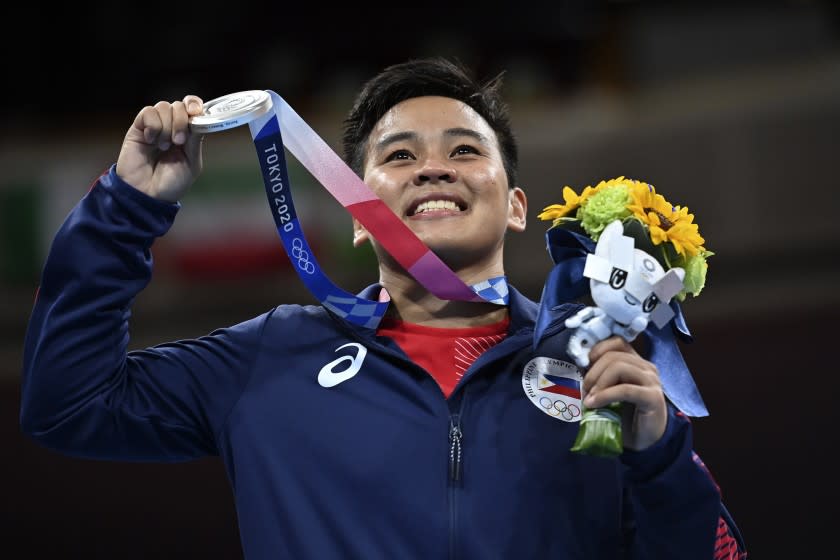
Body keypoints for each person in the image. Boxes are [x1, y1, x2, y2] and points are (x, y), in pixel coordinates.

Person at [20, 57, 747, 559]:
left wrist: (659, 458)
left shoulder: (605, 369)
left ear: (518, 205)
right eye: (398, 156)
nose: (433, 166)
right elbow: (66, 403)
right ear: (360, 217)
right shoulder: (271, 357)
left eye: (465, 149)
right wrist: (126, 207)